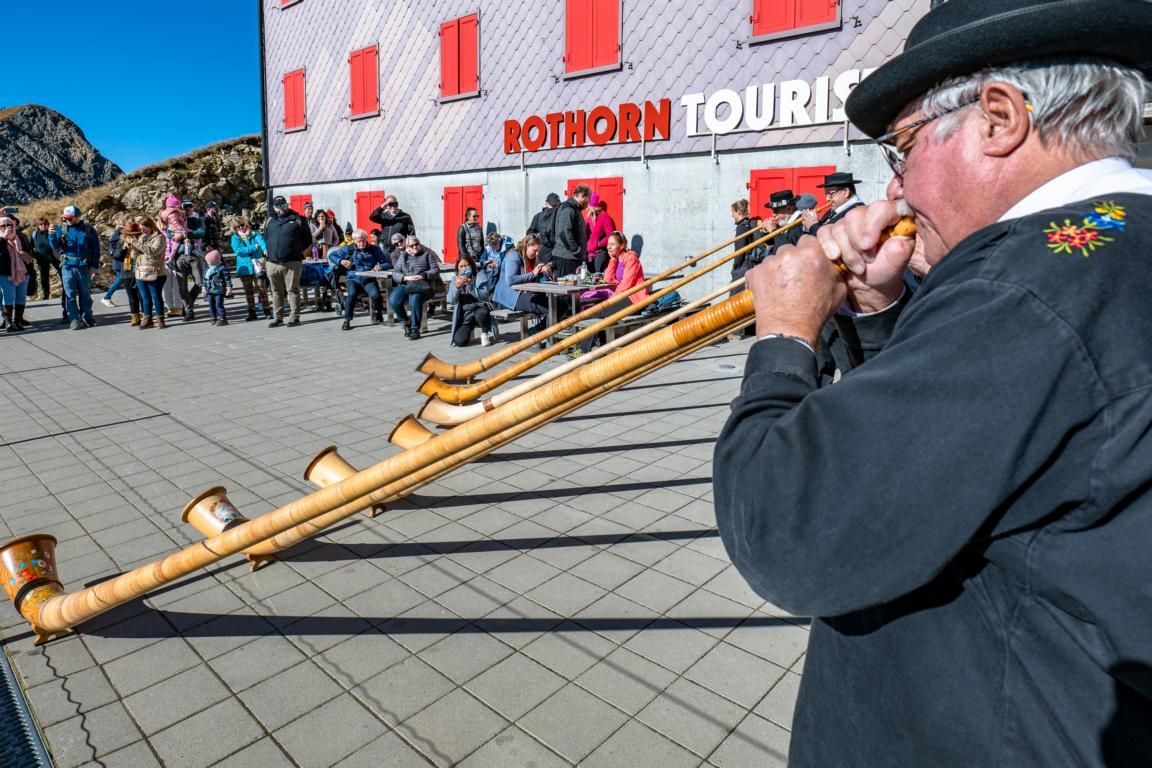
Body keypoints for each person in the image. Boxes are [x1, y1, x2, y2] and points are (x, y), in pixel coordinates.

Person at [713, 1, 1152, 765]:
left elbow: (789, 525)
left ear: (998, 117)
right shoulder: (1110, 245)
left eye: (902, 148)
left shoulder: (1023, 285)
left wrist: (785, 334)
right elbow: (948, 461)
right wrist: (885, 315)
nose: (900, 191)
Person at [571, 231, 648, 356]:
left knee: (600, 313)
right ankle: (595, 346)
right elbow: (607, 279)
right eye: (608, 244)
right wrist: (612, 260)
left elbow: (626, 284)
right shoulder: (617, 259)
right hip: (621, 296)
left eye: (612, 244)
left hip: (634, 298)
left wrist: (612, 299)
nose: (608, 247)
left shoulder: (631, 258)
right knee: (592, 311)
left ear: (622, 245)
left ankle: (583, 350)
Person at [263, 194, 312, 327]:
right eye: (278, 206)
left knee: (293, 290)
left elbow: (308, 240)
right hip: (273, 263)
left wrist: (296, 252)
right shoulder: (270, 221)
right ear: (274, 207)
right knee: (276, 291)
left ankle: (294, 317)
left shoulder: (298, 219)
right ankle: (278, 317)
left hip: (292, 263)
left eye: (283, 205)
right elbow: (266, 238)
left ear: (287, 204)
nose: (281, 208)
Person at [49, 205, 100, 330]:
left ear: (77, 217)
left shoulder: (88, 230)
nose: (67, 221)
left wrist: (94, 265)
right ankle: (74, 319)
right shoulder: (62, 230)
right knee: (70, 294)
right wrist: (51, 236)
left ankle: (88, 317)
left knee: (85, 293)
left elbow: (96, 249)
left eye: (70, 218)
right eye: (65, 218)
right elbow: (55, 247)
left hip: (84, 267)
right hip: (67, 267)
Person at [329, 229, 390, 330]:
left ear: (367, 240)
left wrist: (380, 267)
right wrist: (341, 261)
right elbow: (332, 255)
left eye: (363, 241)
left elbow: (387, 263)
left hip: (368, 278)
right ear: (354, 241)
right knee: (352, 294)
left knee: (375, 294)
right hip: (353, 278)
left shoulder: (374, 249)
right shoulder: (349, 249)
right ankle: (347, 320)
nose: (361, 243)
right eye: (358, 241)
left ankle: (379, 313)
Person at [493, 233, 550, 330]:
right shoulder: (513, 256)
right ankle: (538, 333)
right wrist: (533, 274)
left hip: (527, 293)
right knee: (551, 309)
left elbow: (533, 278)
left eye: (538, 251)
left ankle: (538, 331)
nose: (537, 254)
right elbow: (510, 280)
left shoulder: (531, 257)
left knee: (561, 305)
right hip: (513, 297)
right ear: (527, 246)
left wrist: (545, 272)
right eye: (534, 250)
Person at [388, 234, 440, 340]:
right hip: (407, 283)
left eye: (417, 244)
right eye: (412, 245)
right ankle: (406, 322)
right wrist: (406, 278)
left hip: (424, 286)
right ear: (407, 247)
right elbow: (395, 272)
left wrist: (423, 275)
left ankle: (415, 329)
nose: (415, 247)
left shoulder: (427, 254)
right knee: (393, 300)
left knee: (415, 299)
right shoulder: (403, 256)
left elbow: (435, 270)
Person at [123, 216, 168, 329]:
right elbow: (135, 256)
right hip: (141, 271)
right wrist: (132, 248)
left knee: (156, 296)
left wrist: (135, 242)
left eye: (144, 228)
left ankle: (160, 319)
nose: (142, 231)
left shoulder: (159, 237)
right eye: (141, 228)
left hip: (156, 272)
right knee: (145, 297)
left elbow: (153, 251)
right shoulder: (141, 237)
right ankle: (147, 320)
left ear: (151, 226)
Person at [447, 251, 499, 347]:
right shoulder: (455, 279)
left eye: (466, 266)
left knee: (482, 313)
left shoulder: (480, 275)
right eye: (461, 266)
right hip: (466, 315)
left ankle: (485, 333)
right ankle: (468, 330)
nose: (464, 269)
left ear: (472, 265)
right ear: (457, 268)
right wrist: (457, 287)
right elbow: (451, 300)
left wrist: (471, 287)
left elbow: (485, 296)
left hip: (479, 309)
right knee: (459, 341)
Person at [230, 216, 270, 321]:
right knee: (248, 290)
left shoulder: (254, 233)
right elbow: (239, 251)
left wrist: (264, 249)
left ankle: (267, 310)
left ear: (245, 223)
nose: (240, 228)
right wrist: (253, 248)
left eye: (242, 225)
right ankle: (252, 312)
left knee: (262, 288)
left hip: (257, 264)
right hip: (245, 267)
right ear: (234, 228)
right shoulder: (235, 238)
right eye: (237, 226)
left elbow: (261, 241)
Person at [0, 215, 33, 333]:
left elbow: (30, 255)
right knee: (8, 297)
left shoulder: (21, 237)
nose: (6, 227)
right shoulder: (0, 238)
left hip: (23, 272)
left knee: (21, 296)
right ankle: (8, 323)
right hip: (5, 273)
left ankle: (18, 321)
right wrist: (3, 238)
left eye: (9, 225)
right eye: (3, 225)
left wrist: (24, 254)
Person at [552, 185, 590, 277]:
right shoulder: (569, 209)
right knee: (564, 288)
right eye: (588, 198)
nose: (588, 202)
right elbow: (564, 233)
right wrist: (576, 250)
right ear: (581, 195)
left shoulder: (575, 209)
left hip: (572, 258)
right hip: (566, 259)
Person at [115, 217, 143, 326]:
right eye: (130, 234)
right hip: (126, 271)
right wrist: (124, 248)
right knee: (132, 296)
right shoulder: (121, 241)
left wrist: (137, 246)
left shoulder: (141, 241)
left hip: (140, 270)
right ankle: (135, 316)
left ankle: (146, 315)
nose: (132, 236)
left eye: (134, 234)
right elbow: (116, 256)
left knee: (142, 295)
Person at [527, 192, 561, 267]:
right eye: (553, 205)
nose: (553, 208)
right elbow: (530, 233)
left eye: (555, 205)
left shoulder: (539, 216)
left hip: (545, 254)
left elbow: (529, 233)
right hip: (554, 254)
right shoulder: (560, 216)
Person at [586, 194, 616, 274]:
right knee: (588, 276)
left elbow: (611, 236)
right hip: (588, 253)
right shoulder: (589, 218)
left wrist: (598, 244)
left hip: (600, 252)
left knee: (598, 275)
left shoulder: (605, 217)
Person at [101, 217, 126, 308]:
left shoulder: (121, 232)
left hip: (120, 261)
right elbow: (112, 244)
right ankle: (106, 297)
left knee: (120, 279)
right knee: (120, 279)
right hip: (119, 261)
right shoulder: (119, 232)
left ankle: (107, 297)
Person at [202, 250, 232, 326]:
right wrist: (203, 288)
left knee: (219, 305)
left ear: (214, 260)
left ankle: (223, 319)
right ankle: (213, 318)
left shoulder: (222, 268)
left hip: (219, 290)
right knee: (211, 305)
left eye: (208, 261)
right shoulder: (207, 269)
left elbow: (227, 279)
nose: (207, 262)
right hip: (209, 290)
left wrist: (229, 288)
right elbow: (205, 279)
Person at [30, 218, 56, 302]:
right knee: (44, 277)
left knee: (62, 273)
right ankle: (46, 294)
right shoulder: (34, 234)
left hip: (54, 257)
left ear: (48, 225)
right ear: (38, 226)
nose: (43, 226)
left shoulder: (52, 232)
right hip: (41, 259)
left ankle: (67, 292)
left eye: (45, 224)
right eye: (41, 224)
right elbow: (29, 247)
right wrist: (35, 256)